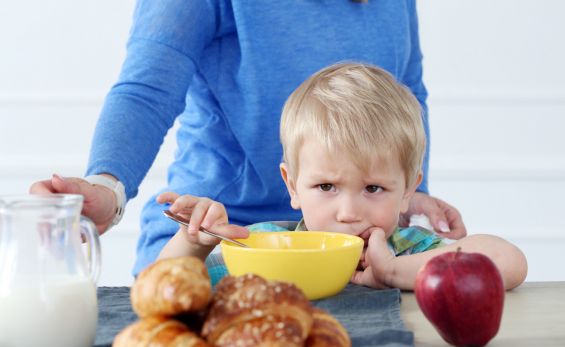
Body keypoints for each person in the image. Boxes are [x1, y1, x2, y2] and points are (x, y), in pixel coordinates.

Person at [29, 0, 467, 275]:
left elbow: (407, 90)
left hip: (358, 259)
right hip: (221, 239)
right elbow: (148, 90)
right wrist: (108, 184)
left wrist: (407, 193)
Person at [157, 63, 527, 290]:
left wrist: (394, 271)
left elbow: (508, 261)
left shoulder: (412, 250)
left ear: (407, 192)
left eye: (373, 188)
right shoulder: (268, 249)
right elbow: (162, 286)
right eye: (326, 186)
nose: (348, 212)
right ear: (292, 185)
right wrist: (195, 242)